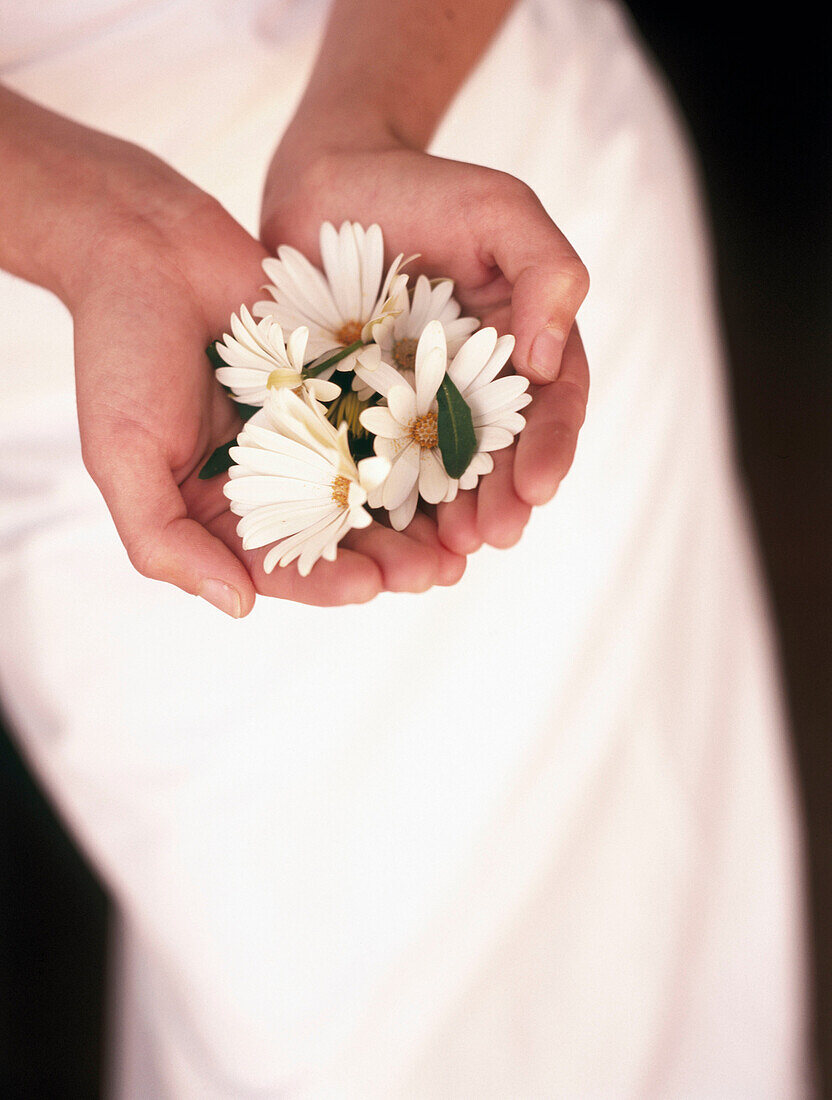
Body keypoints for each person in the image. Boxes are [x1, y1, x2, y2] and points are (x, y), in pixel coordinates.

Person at [0, 0, 810, 1095]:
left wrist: (374, 111)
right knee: (308, 1013)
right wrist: (92, 221)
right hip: (77, 335)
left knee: (650, 907)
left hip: (471, 182)